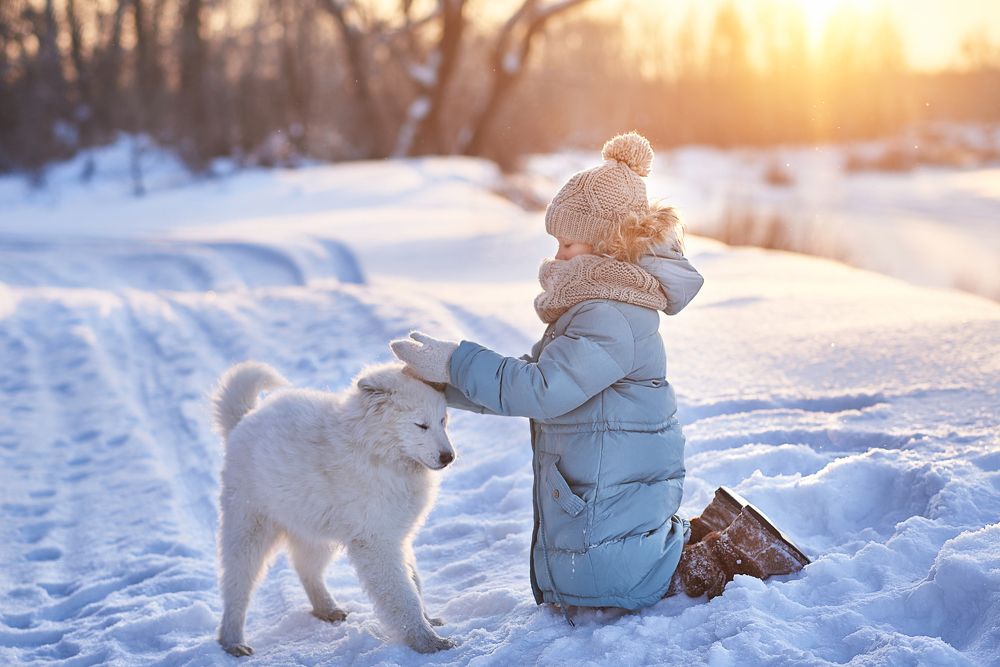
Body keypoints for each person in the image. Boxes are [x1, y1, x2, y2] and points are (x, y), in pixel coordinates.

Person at [390, 132, 808, 619]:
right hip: (607, 494)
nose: (558, 256)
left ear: (606, 248)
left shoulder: (607, 313)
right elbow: (537, 378)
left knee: (623, 570)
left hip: (604, 513)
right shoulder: (601, 306)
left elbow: (543, 391)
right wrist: (445, 383)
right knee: (620, 552)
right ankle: (697, 550)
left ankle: (716, 559)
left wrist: (457, 361)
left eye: (567, 243)